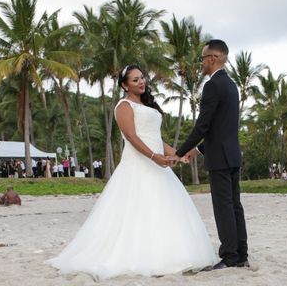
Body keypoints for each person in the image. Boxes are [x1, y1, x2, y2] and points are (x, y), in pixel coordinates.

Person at [46, 65, 216, 279]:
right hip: (138, 164)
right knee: (135, 210)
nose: (141, 82)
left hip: (159, 165)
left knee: (164, 207)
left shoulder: (147, 105)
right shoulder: (123, 106)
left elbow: (156, 138)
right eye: (135, 80)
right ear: (125, 85)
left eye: (142, 78)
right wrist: (154, 157)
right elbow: (132, 137)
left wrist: (178, 154)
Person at [173, 39, 249, 270]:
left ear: (213, 58)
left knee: (223, 207)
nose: (201, 63)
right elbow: (221, 129)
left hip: (220, 159)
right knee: (235, 206)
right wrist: (196, 150)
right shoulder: (231, 85)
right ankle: (241, 255)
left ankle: (229, 257)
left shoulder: (212, 86)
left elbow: (203, 125)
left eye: (203, 58)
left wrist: (180, 152)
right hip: (232, 155)